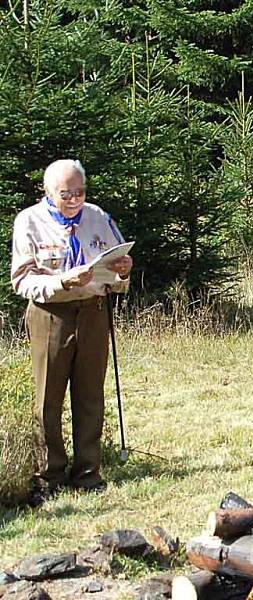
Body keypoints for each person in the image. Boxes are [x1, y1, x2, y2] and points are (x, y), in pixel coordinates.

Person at [11, 159, 133, 507]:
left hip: (94, 312)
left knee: (90, 393)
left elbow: (118, 262)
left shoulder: (98, 216)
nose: (75, 199)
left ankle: (88, 472)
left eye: (79, 192)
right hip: (52, 314)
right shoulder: (29, 221)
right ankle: (48, 475)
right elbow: (21, 280)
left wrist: (124, 270)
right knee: (48, 397)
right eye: (66, 194)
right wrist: (62, 280)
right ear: (48, 191)